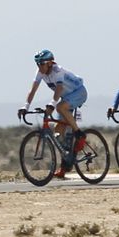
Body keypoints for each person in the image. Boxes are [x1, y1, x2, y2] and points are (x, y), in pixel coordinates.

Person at [22, 49, 87, 178]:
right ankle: (66, 163)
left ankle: (80, 134)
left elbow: (59, 89)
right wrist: (25, 106)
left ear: (50, 63)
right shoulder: (40, 72)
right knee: (58, 132)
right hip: (66, 97)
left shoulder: (58, 71)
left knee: (60, 107)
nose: (39, 67)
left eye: (42, 64)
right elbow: (33, 90)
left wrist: (52, 104)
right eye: (37, 64)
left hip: (78, 93)